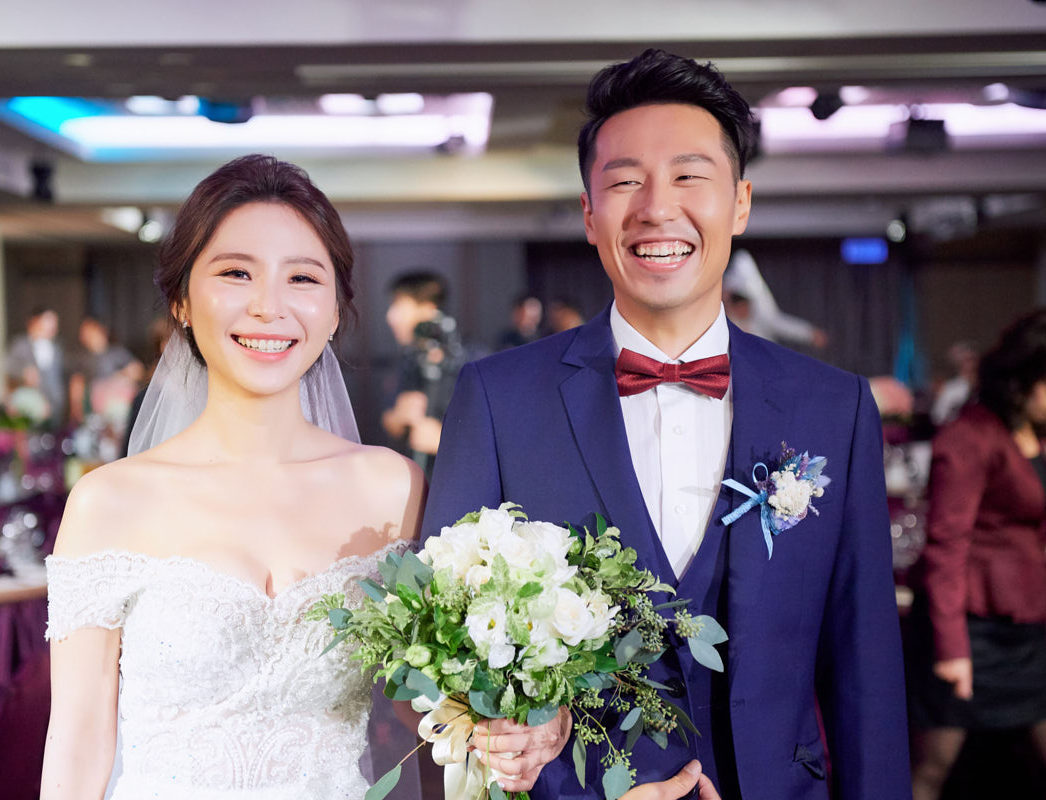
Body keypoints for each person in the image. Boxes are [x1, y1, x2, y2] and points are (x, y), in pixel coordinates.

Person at [423, 48, 909, 800]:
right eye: (625, 182)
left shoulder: (832, 406)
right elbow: (446, 656)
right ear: (590, 214)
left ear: (740, 202)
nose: (656, 208)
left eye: (689, 177)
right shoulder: (497, 398)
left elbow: (865, 663)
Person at [40, 155, 425, 800]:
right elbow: (78, 743)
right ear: (182, 303)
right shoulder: (108, 502)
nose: (268, 307)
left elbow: (427, 711)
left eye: (302, 278)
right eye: (236, 273)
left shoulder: (394, 491)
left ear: (335, 310)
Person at [908, 310, 1046, 800]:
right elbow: (946, 548)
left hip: (1028, 629)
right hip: (970, 628)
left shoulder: (1036, 432)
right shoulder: (970, 435)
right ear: (1021, 380)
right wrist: (953, 649)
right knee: (931, 768)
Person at [381, 271, 464, 476]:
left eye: (398, 306)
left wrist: (443, 441)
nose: (390, 316)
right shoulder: (409, 360)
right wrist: (399, 416)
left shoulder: (469, 360)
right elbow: (389, 420)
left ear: (428, 308)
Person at [722, 250, 828, 350]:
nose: (742, 311)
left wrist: (809, 334)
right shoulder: (721, 313)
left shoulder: (761, 313)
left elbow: (781, 325)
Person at [69, 316, 146, 425]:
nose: (83, 336)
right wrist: (76, 408)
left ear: (100, 330)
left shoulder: (117, 353)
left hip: (119, 403)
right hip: (96, 408)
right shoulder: (81, 359)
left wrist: (117, 378)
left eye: (87, 331)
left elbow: (138, 370)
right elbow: (77, 384)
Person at [5, 307, 66, 425]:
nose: (53, 327)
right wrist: (23, 373)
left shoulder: (57, 348)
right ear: (34, 322)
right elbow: (8, 369)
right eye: (48, 322)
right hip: (29, 406)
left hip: (54, 407)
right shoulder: (20, 345)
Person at [929, 341, 978, 426]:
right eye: (968, 360)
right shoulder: (950, 389)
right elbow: (938, 416)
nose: (972, 364)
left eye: (973, 359)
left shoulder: (984, 385)